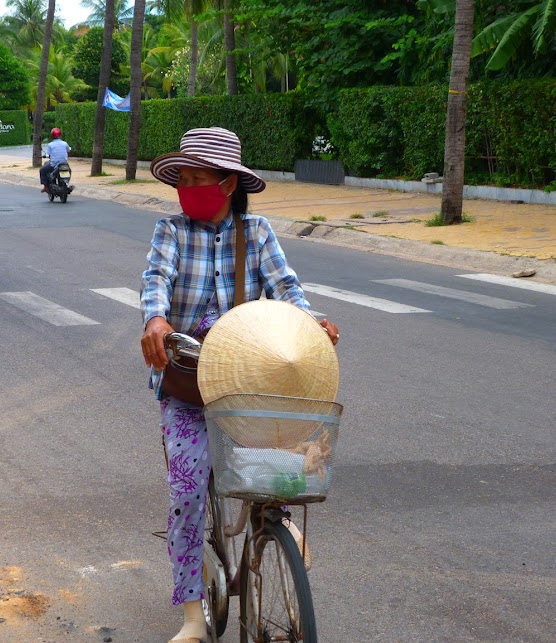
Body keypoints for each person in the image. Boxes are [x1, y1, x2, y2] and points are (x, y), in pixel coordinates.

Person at [139, 127, 339, 643]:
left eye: (198, 178)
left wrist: (312, 323)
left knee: (281, 455)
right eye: (181, 179)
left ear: (228, 184)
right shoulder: (171, 231)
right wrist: (156, 321)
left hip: (247, 373)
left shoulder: (259, 233)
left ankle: (278, 524)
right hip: (186, 377)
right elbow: (155, 279)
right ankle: (190, 617)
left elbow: (286, 288)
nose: (187, 187)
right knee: (187, 493)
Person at [39, 127, 71, 192]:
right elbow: (68, 150)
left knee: (42, 170)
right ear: (60, 135)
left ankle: (46, 187)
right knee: (69, 170)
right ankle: (66, 183)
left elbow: (48, 155)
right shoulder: (65, 143)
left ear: (52, 135)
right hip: (64, 164)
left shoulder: (50, 145)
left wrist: (45, 156)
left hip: (54, 165)